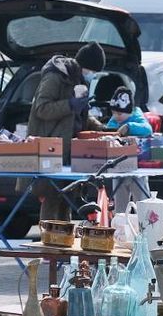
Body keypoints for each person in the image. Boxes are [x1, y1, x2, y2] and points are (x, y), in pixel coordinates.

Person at [27, 41, 106, 220]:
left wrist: (100, 128)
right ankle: (49, 238)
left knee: (68, 197)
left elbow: (79, 117)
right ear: (84, 66)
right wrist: (69, 104)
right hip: (52, 148)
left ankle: (64, 239)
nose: (92, 75)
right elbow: (41, 108)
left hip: (71, 149)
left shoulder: (78, 81)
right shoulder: (56, 77)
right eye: (92, 71)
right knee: (52, 197)